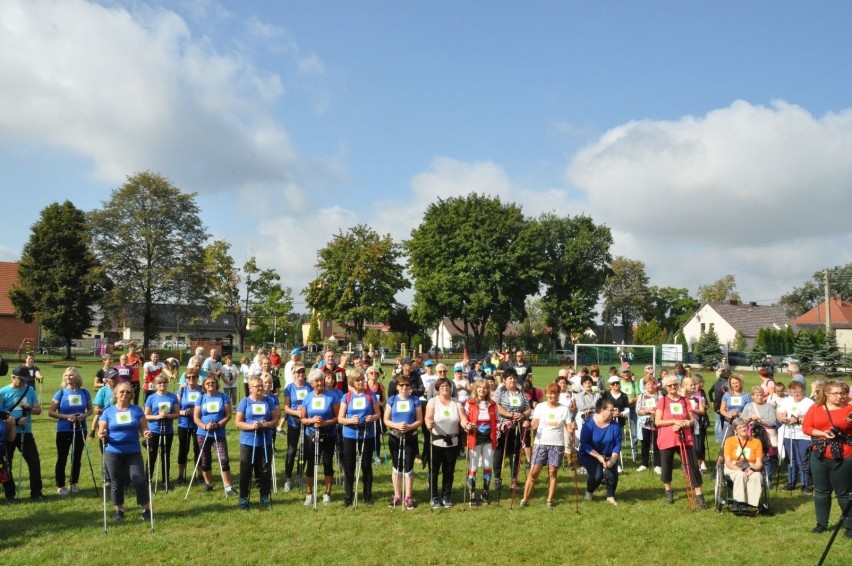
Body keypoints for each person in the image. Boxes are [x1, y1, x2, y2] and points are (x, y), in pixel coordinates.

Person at [802, 380, 852, 536]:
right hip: (819, 454)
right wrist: (822, 434)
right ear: (827, 394)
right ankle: (821, 524)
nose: (840, 397)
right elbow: (806, 427)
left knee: (844, 493)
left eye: (843, 393)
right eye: (836, 393)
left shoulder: (850, 409)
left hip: (844, 455)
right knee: (821, 491)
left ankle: (850, 526)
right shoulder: (816, 408)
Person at [98, 382, 152, 522]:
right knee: (116, 481)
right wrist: (102, 433)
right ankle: (119, 510)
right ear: (116, 394)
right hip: (113, 451)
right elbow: (101, 430)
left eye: (128, 392)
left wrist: (146, 433)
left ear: (131, 395)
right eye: (121, 391)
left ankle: (146, 509)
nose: (124, 394)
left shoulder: (136, 410)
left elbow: (143, 428)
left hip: (133, 452)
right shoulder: (108, 411)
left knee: (139, 479)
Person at [655, 375, 707, 508]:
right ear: (665, 387)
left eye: (674, 384)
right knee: (666, 465)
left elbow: (692, 420)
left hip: (685, 437)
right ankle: (668, 491)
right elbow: (658, 421)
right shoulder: (663, 401)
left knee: (692, 465)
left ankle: (699, 495)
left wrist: (683, 423)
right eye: (669, 385)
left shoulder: (684, 400)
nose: (673, 387)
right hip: (667, 438)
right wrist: (674, 421)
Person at [519, 382, 572, 509]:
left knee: (552, 472)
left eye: (553, 393)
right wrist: (528, 425)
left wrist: (572, 427)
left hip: (557, 444)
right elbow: (534, 424)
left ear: (558, 394)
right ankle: (524, 499)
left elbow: (569, 428)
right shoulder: (540, 407)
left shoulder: (564, 409)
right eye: (548, 393)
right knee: (533, 473)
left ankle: (550, 500)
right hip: (541, 443)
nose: (550, 396)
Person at [337, 369, 381, 507]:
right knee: (349, 467)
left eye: (362, 379)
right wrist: (350, 421)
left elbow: (378, 414)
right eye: (358, 380)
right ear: (352, 382)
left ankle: (368, 496)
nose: (361, 382)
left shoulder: (371, 395)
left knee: (366, 465)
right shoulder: (347, 397)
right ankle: (348, 497)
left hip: (367, 433)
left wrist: (372, 417)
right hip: (350, 434)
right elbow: (340, 418)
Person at [236, 375, 280, 509]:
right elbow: (238, 422)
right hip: (248, 441)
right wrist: (251, 426)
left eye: (262, 385)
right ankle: (244, 497)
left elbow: (275, 420)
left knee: (265, 470)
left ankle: (264, 496)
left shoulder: (268, 401)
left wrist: (267, 424)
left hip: (265, 440)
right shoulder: (245, 402)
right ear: (250, 388)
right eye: (258, 386)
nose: (261, 388)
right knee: (246, 471)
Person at [1, 365, 44, 500]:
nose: (24, 382)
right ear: (13, 377)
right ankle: (10, 494)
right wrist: (16, 420)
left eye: (26, 380)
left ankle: (36, 492)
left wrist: (30, 408)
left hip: (26, 432)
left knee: (34, 462)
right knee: (7, 464)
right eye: (21, 379)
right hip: (8, 434)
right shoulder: (3, 392)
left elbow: (38, 410)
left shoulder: (29, 390)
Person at [424, 377, 469, 508]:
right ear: (437, 389)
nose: (445, 388)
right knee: (434, 471)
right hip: (437, 441)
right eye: (442, 386)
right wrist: (429, 424)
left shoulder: (456, 402)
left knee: (449, 470)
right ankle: (434, 496)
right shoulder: (433, 402)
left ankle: (446, 495)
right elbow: (428, 418)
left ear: (451, 388)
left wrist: (466, 425)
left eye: (447, 386)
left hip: (453, 442)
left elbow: (462, 418)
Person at [48, 367, 93, 495]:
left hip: (80, 429)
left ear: (77, 377)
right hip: (64, 429)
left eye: (71, 375)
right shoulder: (60, 393)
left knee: (76, 457)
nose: (68, 377)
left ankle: (74, 483)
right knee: (62, 457)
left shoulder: (85, 392)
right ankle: (60, 485)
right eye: (66, 375)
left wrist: (84, 416)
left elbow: (90, 410)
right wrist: (66, 417)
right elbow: (51, 412)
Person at [300, 369, 339, 506]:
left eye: (321, 380)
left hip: (328, 434)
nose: (320, 383)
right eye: (317, 381)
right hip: (311, 435)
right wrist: (312, 421)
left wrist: (325, 423)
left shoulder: (332, 396)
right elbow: (303, 419)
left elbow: (337, 417)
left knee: (328, 463)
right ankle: (309, 494)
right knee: (310, 465)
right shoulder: (308, 397)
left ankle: (327, 494)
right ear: (312, 383)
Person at [384, 375, 422, 509]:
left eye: (406, 385)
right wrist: (396, 426)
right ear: (397, 387)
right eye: (401, 385)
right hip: (395, 436)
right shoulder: (392, 400)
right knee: (396, 466)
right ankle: (397, 495)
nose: (404, 387)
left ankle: (408, 496)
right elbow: (386, 420)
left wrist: (410, 427)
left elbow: (419, 420)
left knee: (408, 466)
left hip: (410, 436)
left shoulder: (415, 400)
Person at [193, 375, 234, 495]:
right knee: (205, 460)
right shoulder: (201, 398)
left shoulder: (223, 397)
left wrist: (219, 424)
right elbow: (196, 417)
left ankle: (228, 487)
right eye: (207, 383)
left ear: (216, 384)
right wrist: (204, 426)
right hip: (203, 433)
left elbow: (228, 415)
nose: (210, 385)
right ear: (204, 386)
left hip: (219, 432)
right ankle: (208, 484)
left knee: (223, 459)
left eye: (212, 383)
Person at [492, 369, 531, 493]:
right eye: (509, 378)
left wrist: (523, 415)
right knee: (499, 452)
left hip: (517, 427)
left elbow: (528, 408)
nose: (512, 380)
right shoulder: (501, 391)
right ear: (504, 380)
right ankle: (497, 479)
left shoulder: (521, 393)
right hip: (503, 427)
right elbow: (496, 406)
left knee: (515, 453)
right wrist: (510, 415)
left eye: (514, 378)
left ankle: (514, 480)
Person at [580, 398, 622, 505]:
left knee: (612, 474)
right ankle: (589, 492)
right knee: (597, 476)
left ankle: (610, 496)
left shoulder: (615, 426)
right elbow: (584, 444)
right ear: (602, 410)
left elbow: (617, 445)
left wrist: (612, 460)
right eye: (611, 410)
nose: (614, 412)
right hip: (590, 454)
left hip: (608, 454)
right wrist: (599, 457)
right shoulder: (589, 424)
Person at [463, 379, 498, 506]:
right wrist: (467, 425)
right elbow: (464, 420)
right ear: (475, 389)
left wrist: (503, 425)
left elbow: (497, 421)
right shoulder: (470, 403)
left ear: (488, 390)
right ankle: (472, 494)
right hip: (474, 439)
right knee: (473, 466)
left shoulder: (492, 404)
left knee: (487, 465)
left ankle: (485, 492)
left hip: (489, 439)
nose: (482, 390)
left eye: (485, 388)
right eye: (479, 387)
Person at [777, 380, 814, 493]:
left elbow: (812, 419)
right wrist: (782, 418)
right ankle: (791, 482)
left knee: (802, 459)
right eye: (794, 391)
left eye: (799, 391)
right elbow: (779, 414)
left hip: (803, 435)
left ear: (803, 390)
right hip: (788, 433)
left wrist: (798, 420)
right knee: (790, 459)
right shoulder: (786, 401)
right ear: (790, 392)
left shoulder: (809, 403)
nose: (797, 394)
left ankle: (806, 483)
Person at [723, 417, 766, 513]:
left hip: (751, 466)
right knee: (740, 475)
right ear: (735, 430)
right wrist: (741, 469)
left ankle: (751, 502)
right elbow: (728, 462)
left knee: (757, 476)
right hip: (733, 467)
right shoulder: (729, 441)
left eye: (744, 427)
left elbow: (759, 463)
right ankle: (739, 502)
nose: (743, 429)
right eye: (740, 428)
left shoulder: (756, 442)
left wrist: (754, 469)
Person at [144, 375, 179, 489]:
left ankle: (166, 480)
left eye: (164, 383)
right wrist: (158, 416)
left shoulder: (172, 397)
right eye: (159, 383)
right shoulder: (151, 398)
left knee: (166, 455)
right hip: (154, 430)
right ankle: (147, 480)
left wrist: (168, 415)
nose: (162, 385)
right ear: (156, 385)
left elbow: (177, 414)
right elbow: (146, 416)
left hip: (167, 431)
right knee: (151, 455)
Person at [282, 365, 310, 492]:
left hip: (306, 422)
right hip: (293, 422)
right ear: (293, 374)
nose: (300, 374)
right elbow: (286, 408)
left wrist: (304, 411)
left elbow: (312, 402)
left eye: (303, 371)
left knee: (303, 451)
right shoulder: (289, 388)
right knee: (291, 450)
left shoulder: (308, 387)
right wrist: (296, 412)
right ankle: (288, 478)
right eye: (298, 372)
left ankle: (299, 475)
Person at [741, 386, 778, 479]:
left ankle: (767, 478)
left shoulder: (769, 406)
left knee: (765, 456)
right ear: (753, 396)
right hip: (752, 434)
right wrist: (749, 417)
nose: (759, 397)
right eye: (757, 395)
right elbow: (742, 420)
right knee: (751, 455)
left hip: (765, 435)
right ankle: (753, 475)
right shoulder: (748, 406)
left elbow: (772, 421)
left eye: (761, 395)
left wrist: (760, 420)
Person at [175, 368, 203, 485]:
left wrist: (196, 412)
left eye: (193, 377)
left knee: (198, 448)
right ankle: (181, 475)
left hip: (199, 423)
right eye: (188, 377)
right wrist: (184, 412)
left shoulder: (202, 390)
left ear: (197, 378)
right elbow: (176, 409)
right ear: (185, 378)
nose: (191, 379)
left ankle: (200, 475)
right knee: (183, 449)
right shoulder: (182, 390)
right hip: (184, 423)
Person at [636, 375, 661, 473]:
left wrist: (655, 411)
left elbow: (662, 408)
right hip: (644, 422)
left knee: (656, 443)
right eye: (648, 384)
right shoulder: (641, 396)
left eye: (652, 384)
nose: (650, 386)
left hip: (656, 421)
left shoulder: (659, 395)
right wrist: (646, 410)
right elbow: (638, 410)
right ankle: (644, 463)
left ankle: (658, 464)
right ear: (644, 386)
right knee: (645, 443)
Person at [719, 374, 752, 444]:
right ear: (730, 385)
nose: (735, 385)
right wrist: (728, 415)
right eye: (733, 383)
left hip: (741, 424)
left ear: (740, 383)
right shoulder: (727, 395)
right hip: (729, 423)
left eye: (737, 383)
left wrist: (739, 414)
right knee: (726, 444)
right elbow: (722, 409)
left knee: (741, 444)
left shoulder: (747, 396)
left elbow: (750, 412)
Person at [0, 409, 16, 501]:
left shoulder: (4, 414)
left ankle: (10, 496)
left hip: (1, 450)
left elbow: (11, 438)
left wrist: (12, 425)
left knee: (5, 473)